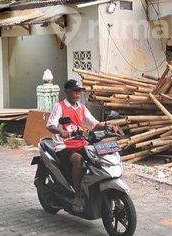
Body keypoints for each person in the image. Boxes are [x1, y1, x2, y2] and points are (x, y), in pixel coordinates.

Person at [46, 79, 120, 213]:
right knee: (77, 159)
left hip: (81, 143)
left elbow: (94, 123)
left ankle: (93, 188)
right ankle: (78, 195)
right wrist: (61, 131)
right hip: (64, 146)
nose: (78, 93)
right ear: (67, 91)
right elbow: (50, 125)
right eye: (76, 91)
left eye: (79, 91)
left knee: (98, 158)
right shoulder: (59, 106)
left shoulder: (82, 107)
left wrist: (109, 125)